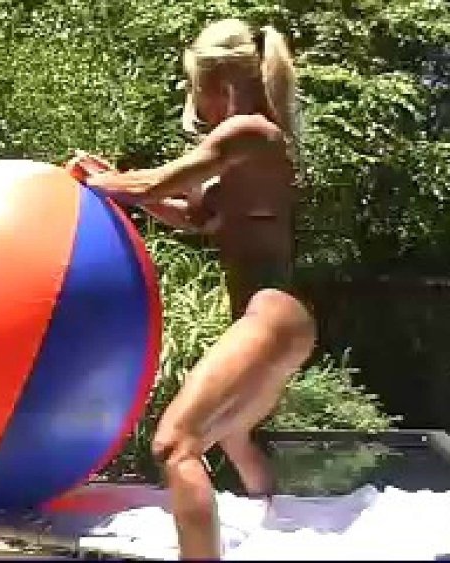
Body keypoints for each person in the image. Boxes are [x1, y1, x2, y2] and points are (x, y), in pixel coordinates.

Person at [66, 19, 316, 559]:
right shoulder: (252, 148)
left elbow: (157, 183)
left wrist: (95, 180)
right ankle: (277, 528)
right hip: (276, 318)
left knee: (175, 445)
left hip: (270, 314)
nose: (192, 100)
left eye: (192, 86)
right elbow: (188, 214)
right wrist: (117, 183)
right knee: (234, 436)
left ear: (218, 85)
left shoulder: (249, 131)